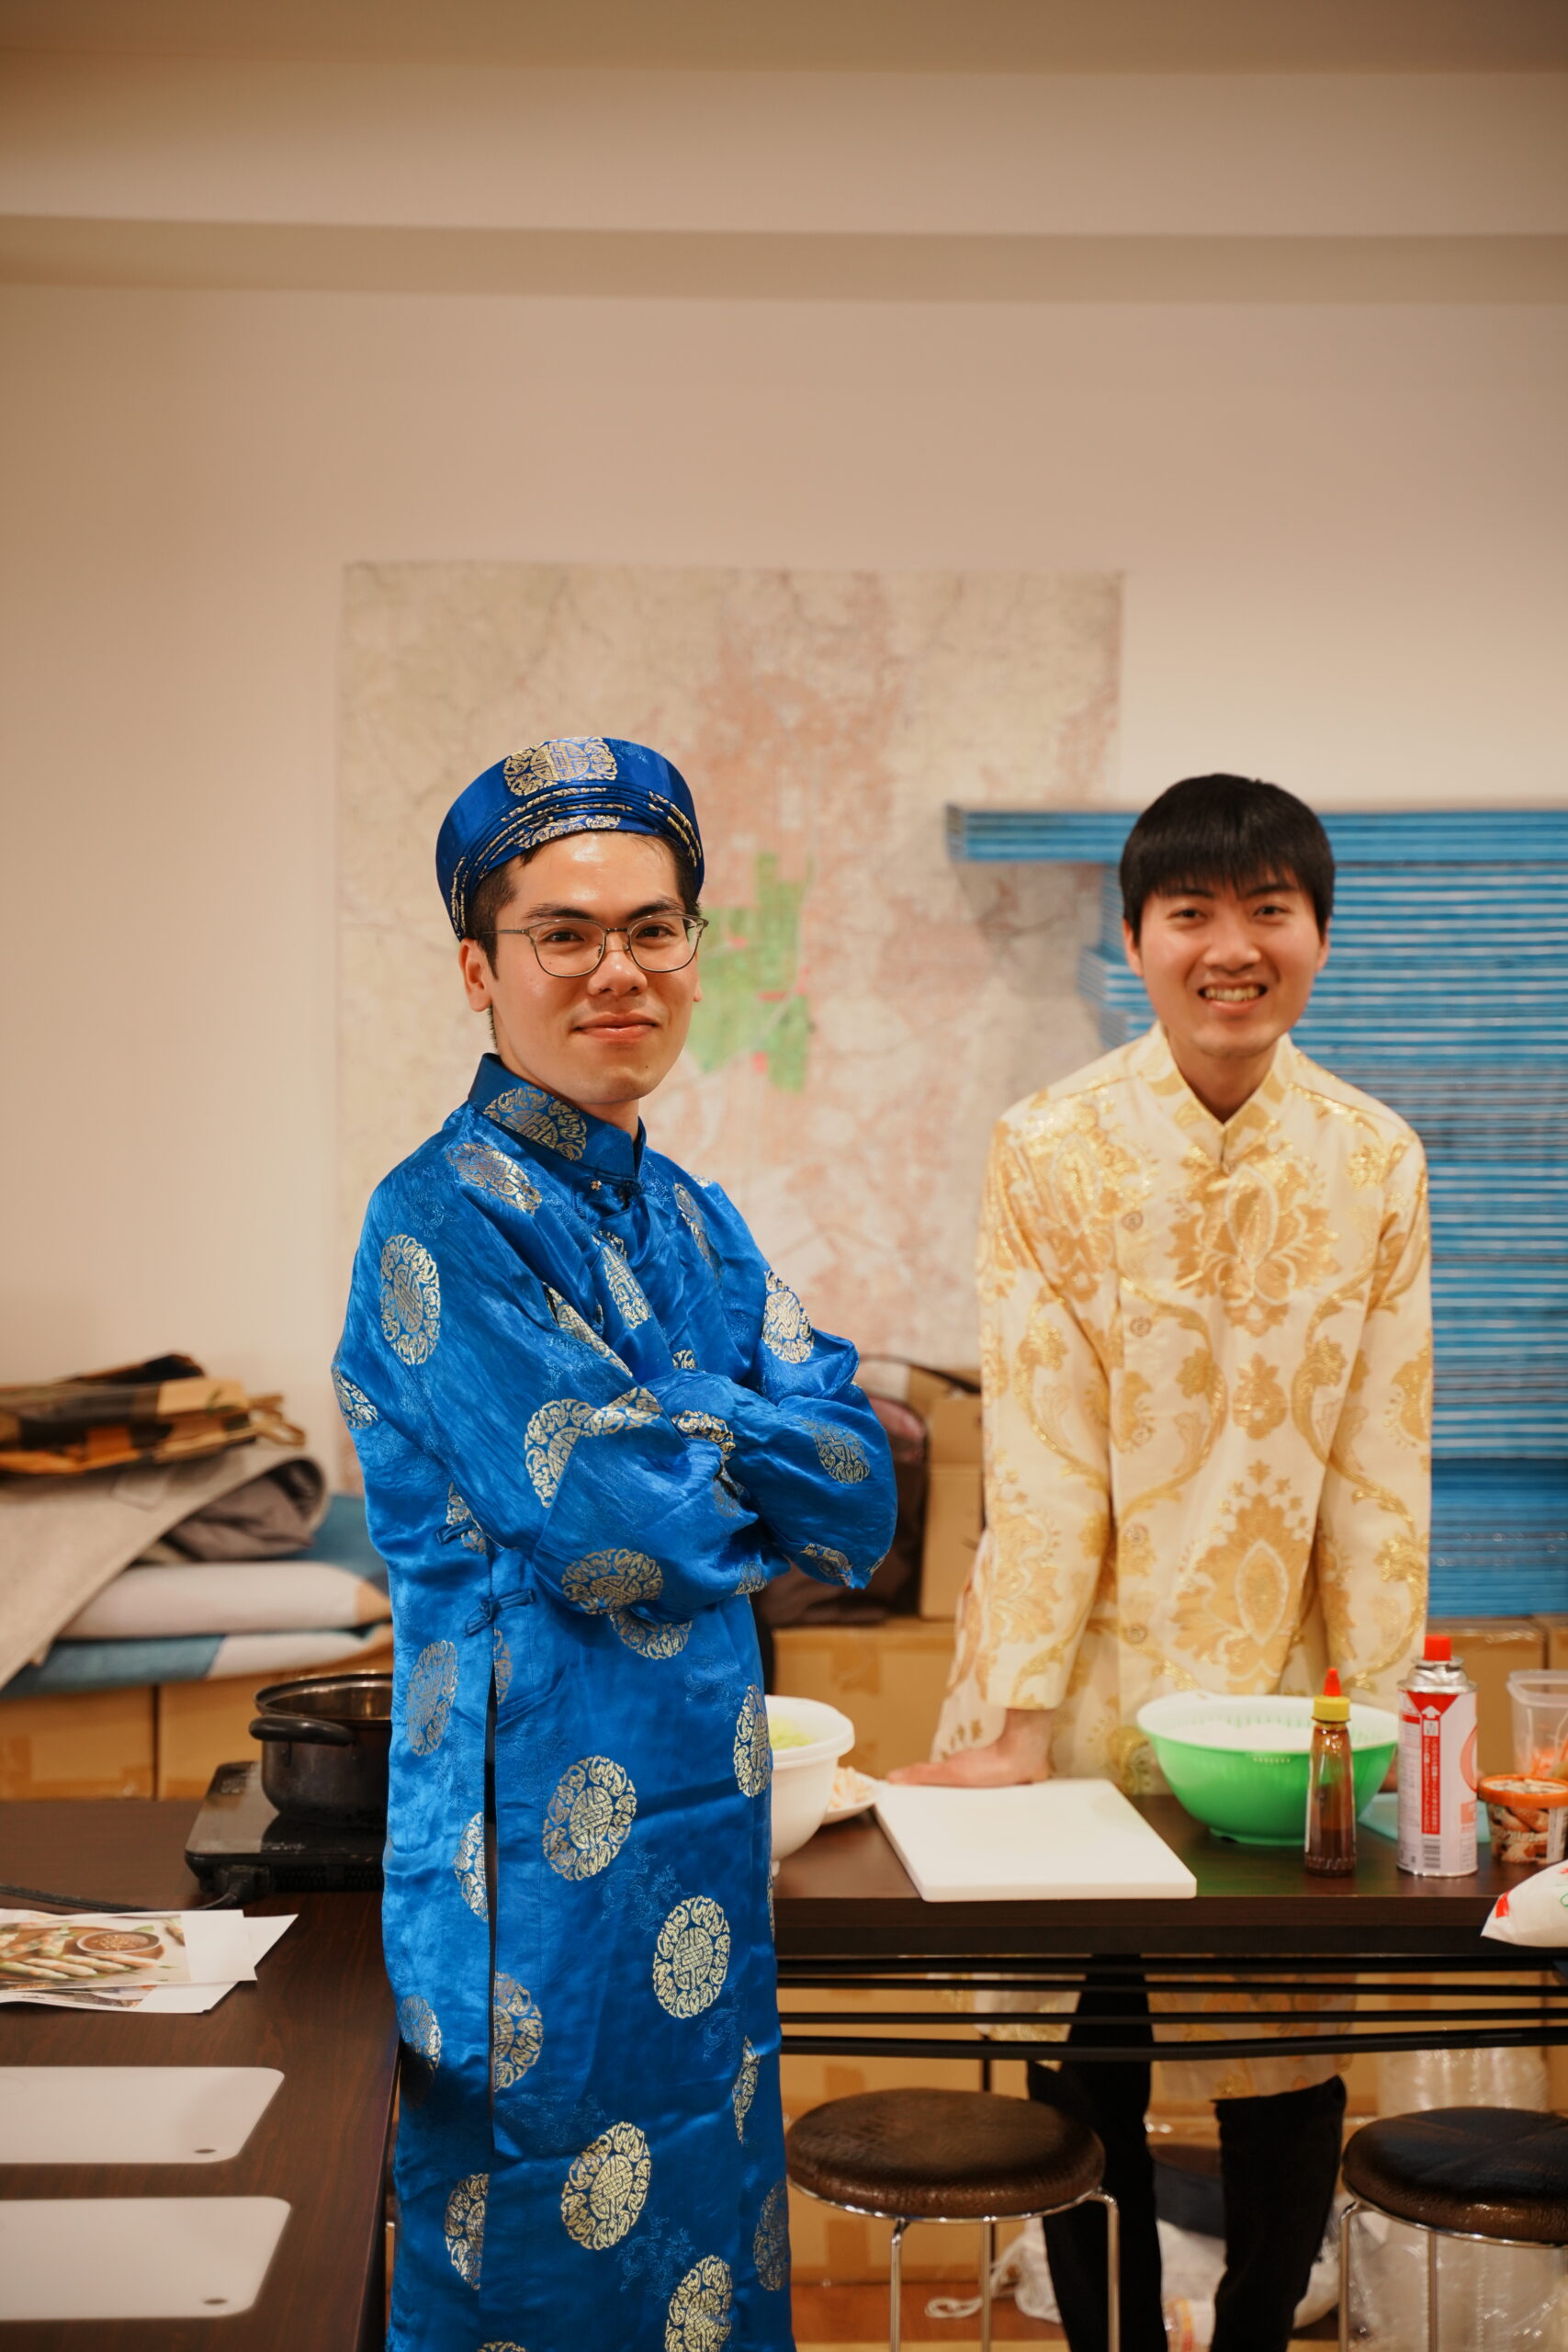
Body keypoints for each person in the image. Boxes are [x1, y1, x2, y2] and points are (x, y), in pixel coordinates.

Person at [334, 736, 897, 2352]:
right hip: (528, 1873)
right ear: (479, 969)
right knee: (537, 2263)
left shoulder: (699, 1218)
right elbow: (610, 1533)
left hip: (703, 1845)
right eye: (564, 934)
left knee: (708, 2230)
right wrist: (737, 1419)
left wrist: (674, 1422)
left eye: (654, 929)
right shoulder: (433, 1218)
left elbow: (857, 1493)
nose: (617, 971)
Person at [892, 775, 1430, 2352]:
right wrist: (1018, 1721)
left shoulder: (1375, 1157)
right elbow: (1042, 1454)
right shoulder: (1050, 1146)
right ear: (1135, 938)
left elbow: (1381, 1467)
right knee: (1087, 2062)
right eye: (1192, 912)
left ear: (1320, 934)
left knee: (1285, 2061)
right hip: (1079, 1686)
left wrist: (1386, 1725)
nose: (1231, 947)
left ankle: (1256, 2335)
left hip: (1287, 1698)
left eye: (1270, 909)